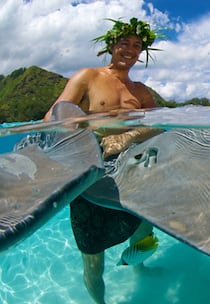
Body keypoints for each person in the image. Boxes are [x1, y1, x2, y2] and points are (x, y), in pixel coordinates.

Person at [44, 18, 162, 304]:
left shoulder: (141, 91)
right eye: (125, 43)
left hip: (130, 174)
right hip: (92, 175)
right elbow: (52, 117)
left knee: (143, 229)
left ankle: (141, 269)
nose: (130, 50)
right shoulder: (89, 76)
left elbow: (159, 124)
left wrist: (128, 137)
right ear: (112, 45)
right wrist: (89, 132)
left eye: (137, 46)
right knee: (93, 257)